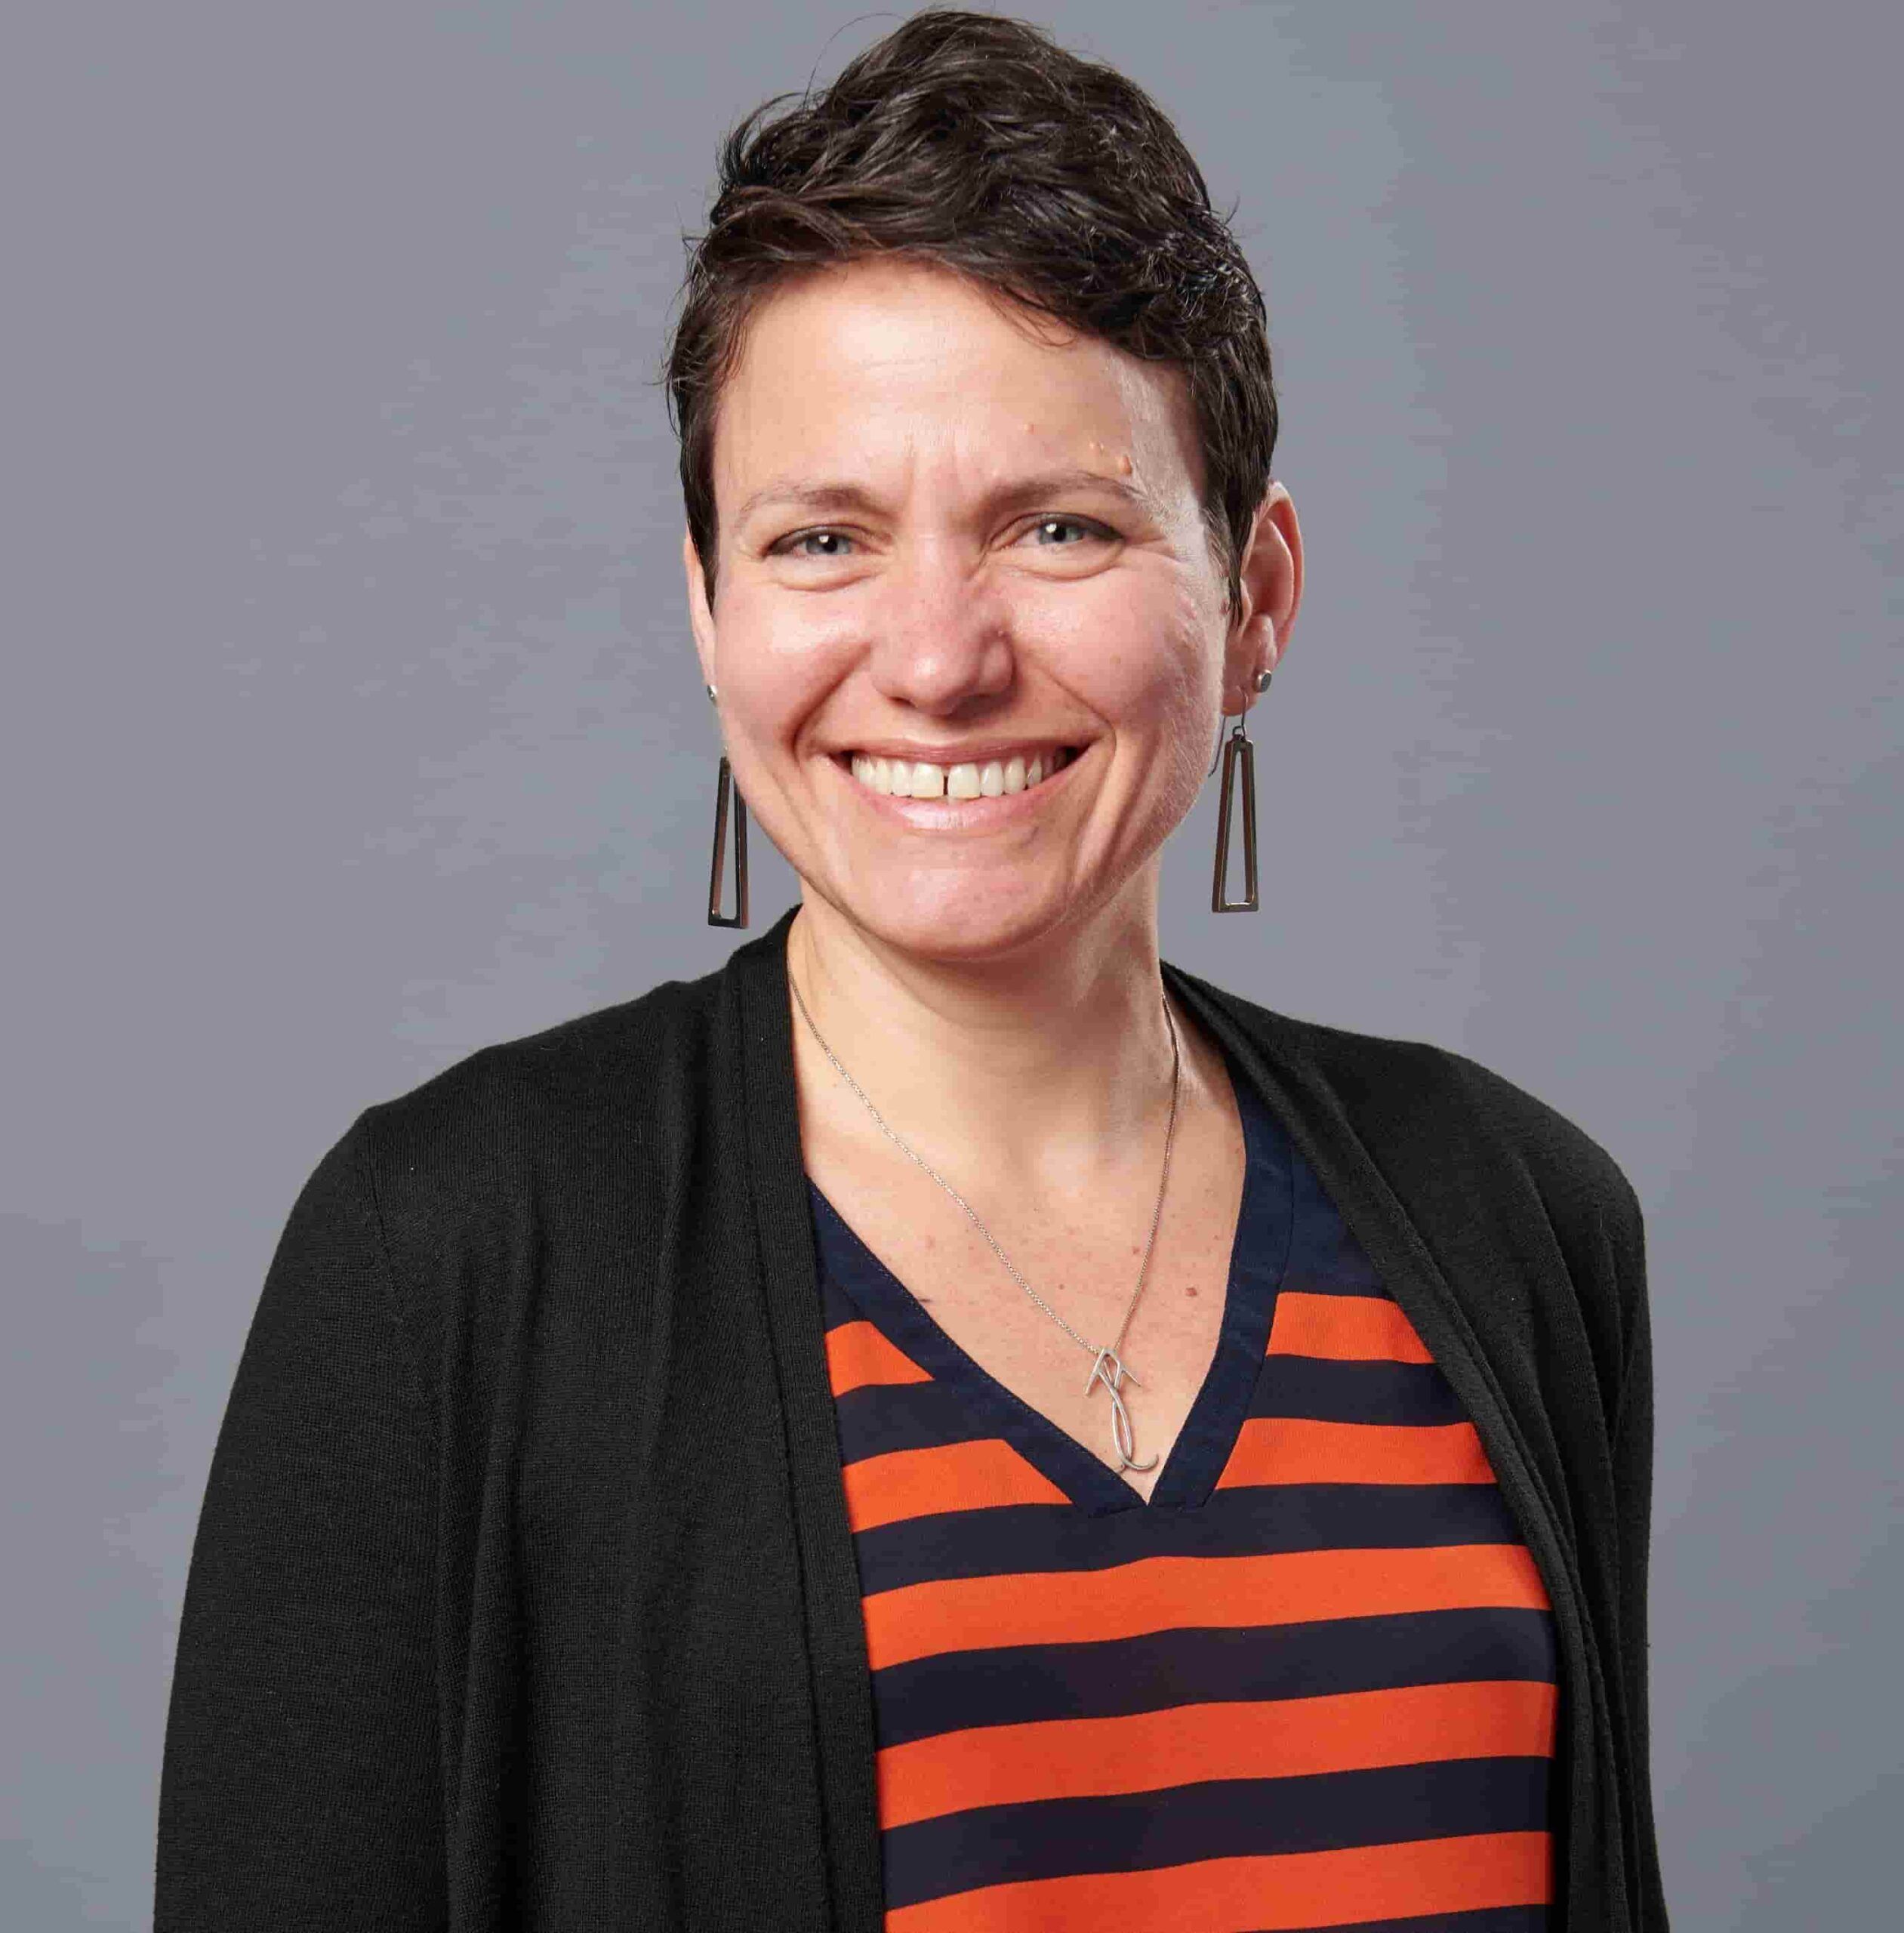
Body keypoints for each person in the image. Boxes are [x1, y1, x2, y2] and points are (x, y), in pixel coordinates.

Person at [155, 11, 1668, 1930]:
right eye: (821, 538)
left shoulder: (1515, 1215)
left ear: (1257, 593)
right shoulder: (449, 1249)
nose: (937, 656)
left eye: (1058, 524)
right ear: (708, 611)